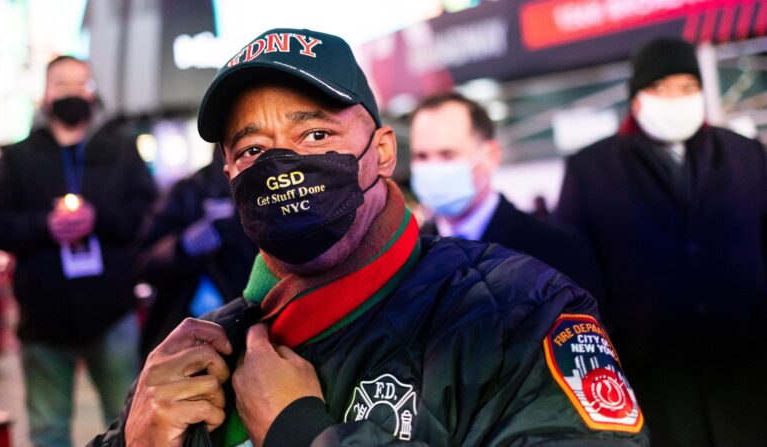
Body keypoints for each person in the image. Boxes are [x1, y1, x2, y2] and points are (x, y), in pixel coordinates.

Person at [90, 28, 648, 447]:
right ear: (231, 176)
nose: (284, 166)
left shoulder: (520, 312)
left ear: (381, 151)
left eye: (315, 133)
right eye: (253, 150)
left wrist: (302, 433)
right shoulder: (201, 351)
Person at [554, 37, 767, 447]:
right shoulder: (592, 169)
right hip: (651, 386)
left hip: (747, 383)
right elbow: (576, 277)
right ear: (637, 98)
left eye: (687, 87)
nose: (676, 99)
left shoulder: (745, 156)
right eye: (661, 88)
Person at [0, 55, 157, 447]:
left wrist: (99, 218)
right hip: (43, 315)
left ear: (93, 92)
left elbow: (146, 213)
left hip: (112, 309)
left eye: (81, 84)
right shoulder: (18, 158)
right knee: (47, 428)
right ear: (45, 92)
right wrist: (44, 226)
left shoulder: (121, 151)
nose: (71, 93)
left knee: (130, 420)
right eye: (61, 84)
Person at [409, 93, 604, 301]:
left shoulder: (558, 249)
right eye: (422, 156)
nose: (432, 168)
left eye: (448, 155)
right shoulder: (411, 255)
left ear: (491, 155)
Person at [136, 147, 257, 360]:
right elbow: (145, 263)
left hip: (255, 323)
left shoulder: (268, 189)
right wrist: (185, 245)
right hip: (186, 323)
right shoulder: (188, 191)